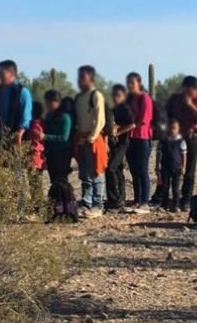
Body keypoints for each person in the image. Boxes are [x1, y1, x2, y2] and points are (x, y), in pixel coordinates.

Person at [166, 76, 197, 211]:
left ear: (194, 89)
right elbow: (169, 112)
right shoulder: (177, 98)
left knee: (189, 171)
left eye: (188, 90)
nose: (185, 92)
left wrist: (190, 105)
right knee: (173, 168)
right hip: (177, 137)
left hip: (192, 137)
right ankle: (173, 199)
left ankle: (186, 201)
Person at [74, 65, 108, 218]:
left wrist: (92, 137)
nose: (80, 80)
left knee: (97, 172)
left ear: (91, 78)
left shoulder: (96, 95)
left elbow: (100, 119)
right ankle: (86, 202)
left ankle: (98, 205)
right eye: (79, 77)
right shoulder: (79, 98)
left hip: (93, 139)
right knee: (84, 173)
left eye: (83, 77)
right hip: (81, 138)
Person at [126, 72, 154, 213]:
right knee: (134, 170)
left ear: (139, 82)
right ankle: (137, 199)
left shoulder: (145, 98)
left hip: (143, 137)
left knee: (142, 169)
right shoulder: (130, 100)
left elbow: (144, 120)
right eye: (128, 82)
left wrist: (126, 127)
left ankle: (145, 202)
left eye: (132, 82)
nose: (130, 85)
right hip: (131, 138)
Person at [106, 84, 135, 212]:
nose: (115, 98)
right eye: (114, 95)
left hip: (124, 141)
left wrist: (118, 131)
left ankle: (115, 200)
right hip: (114, 142)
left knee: (111, 168)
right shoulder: (114, 109)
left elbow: (132, 124)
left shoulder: (126, 108)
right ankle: (120, 198)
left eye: (118, 95)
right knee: (117, 169)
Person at [0, 60, 32, 148]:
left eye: (1, 73)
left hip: (14, 139)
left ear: (11, 73)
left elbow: (26, 118)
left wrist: (19, 133)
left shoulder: (22, 92)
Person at [41, 90, 73, 184]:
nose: (47, 105)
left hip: (62, 153)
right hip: (51, 153)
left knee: (61, 180)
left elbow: (64, 137)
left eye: (49, 102)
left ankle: (64, 198)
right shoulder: (48, 116)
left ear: (57, 102)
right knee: (53, 180)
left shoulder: (65, 117)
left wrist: (45, 137)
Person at [156, 119, 187, 212]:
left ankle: (175, 205)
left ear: (178, 129)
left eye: (174, 128)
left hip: (176, 167)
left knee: (176, 187)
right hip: (165, 166)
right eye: (170, 128)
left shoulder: (181, 141)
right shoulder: (163, 141)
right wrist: (157, 166)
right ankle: (164, 205)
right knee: (165, 186)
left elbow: (184, 155)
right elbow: (158, 153)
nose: (172, 130)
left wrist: (183, 166)